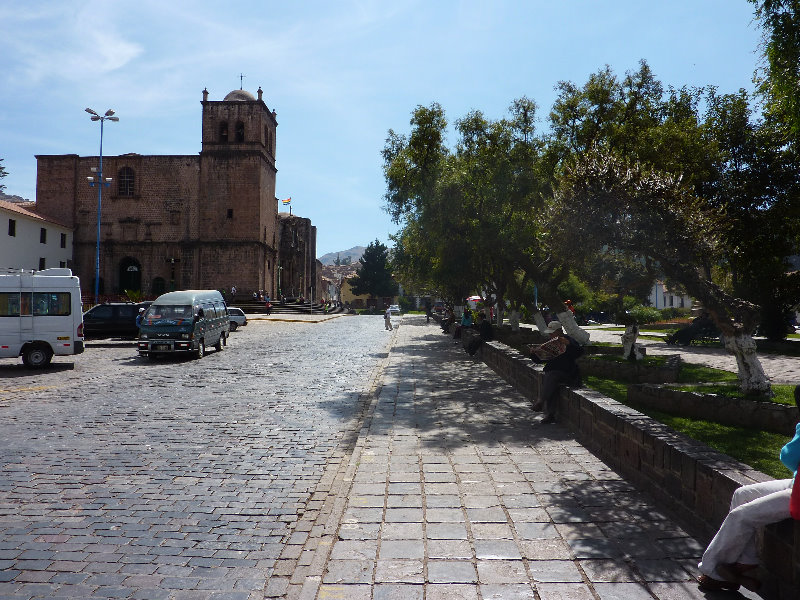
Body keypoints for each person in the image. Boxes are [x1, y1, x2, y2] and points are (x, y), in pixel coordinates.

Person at [696, 385, 800, 592]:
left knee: (741, 516)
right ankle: (746, 562)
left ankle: (713, 571)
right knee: (742, 494)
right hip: (796, 483)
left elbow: (788, 457)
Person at [527, 321, 584, 424]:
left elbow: (579, 352)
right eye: (550, 333)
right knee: (551, 380)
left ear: (559, 331)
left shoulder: (568, 340)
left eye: (552, 332)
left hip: (568, 373)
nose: (550, 335)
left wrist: (569, 344)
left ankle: (541, 402)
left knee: (552, 376)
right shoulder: (550, 343)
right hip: (553, 374)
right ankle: (550, 414)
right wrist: (534, 353)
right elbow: (540, 360)